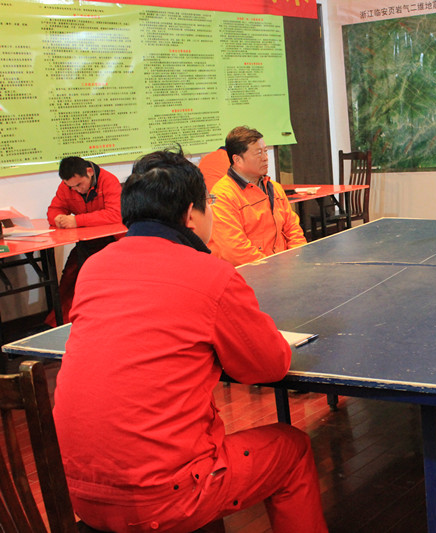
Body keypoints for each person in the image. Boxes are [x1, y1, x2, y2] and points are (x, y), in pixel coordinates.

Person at [53, 148, 328, 533]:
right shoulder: (211, 274)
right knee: (291, 448)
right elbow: (269, 365)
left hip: (80, 494)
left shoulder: (93, 269)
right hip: (165, 497)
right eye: (208, 203)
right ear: (190, 216)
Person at [208, 126, 306, 266]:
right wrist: (272, 268)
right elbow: (234, 250)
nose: (265, 158)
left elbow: (293, 229)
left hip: (283, 268)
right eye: (258, 153)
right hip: (252, 272)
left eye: (265, 151)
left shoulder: (274, 188)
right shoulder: (223, 196)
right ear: (237, 159)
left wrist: (297, 257)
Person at [44, 156, 121, 326]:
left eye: (79, 185)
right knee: (70, 277)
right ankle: (62, 323)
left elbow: (115, 214)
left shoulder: (109, 181)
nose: (77, 190)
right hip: (86, 243)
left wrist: (76, 220)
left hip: (112, 243)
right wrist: (58, 219)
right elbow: (54, 209)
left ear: (89, 172)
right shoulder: (67, 186)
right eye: (71, 187)